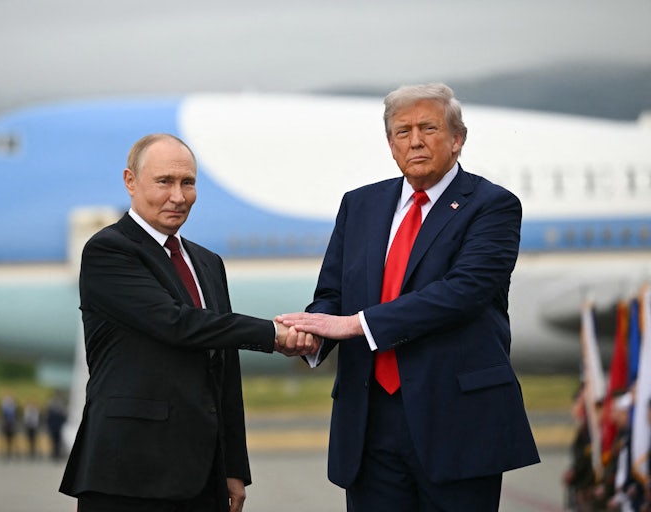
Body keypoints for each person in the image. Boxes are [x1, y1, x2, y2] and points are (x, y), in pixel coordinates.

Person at [277, 83, 540, 511]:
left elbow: (464, 292)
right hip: (368, 423)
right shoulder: (359, 205)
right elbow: (332, 294)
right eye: (402, 132)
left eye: (428, 128)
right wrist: (314, 333)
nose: (415, 140)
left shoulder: (492, 206)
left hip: (457, 422)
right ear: (390, 144)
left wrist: (355, 325)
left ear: (458, 139)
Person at [59, 133, 314, 512]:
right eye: (164, 182)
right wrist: (272, 334)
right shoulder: (108, 250)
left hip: (202, 475)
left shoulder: (207, 262)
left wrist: (233, 467)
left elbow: (225, 370)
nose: (178, 196)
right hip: (128, 472)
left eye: (188, 182)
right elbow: (176, 324)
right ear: (130, 181)